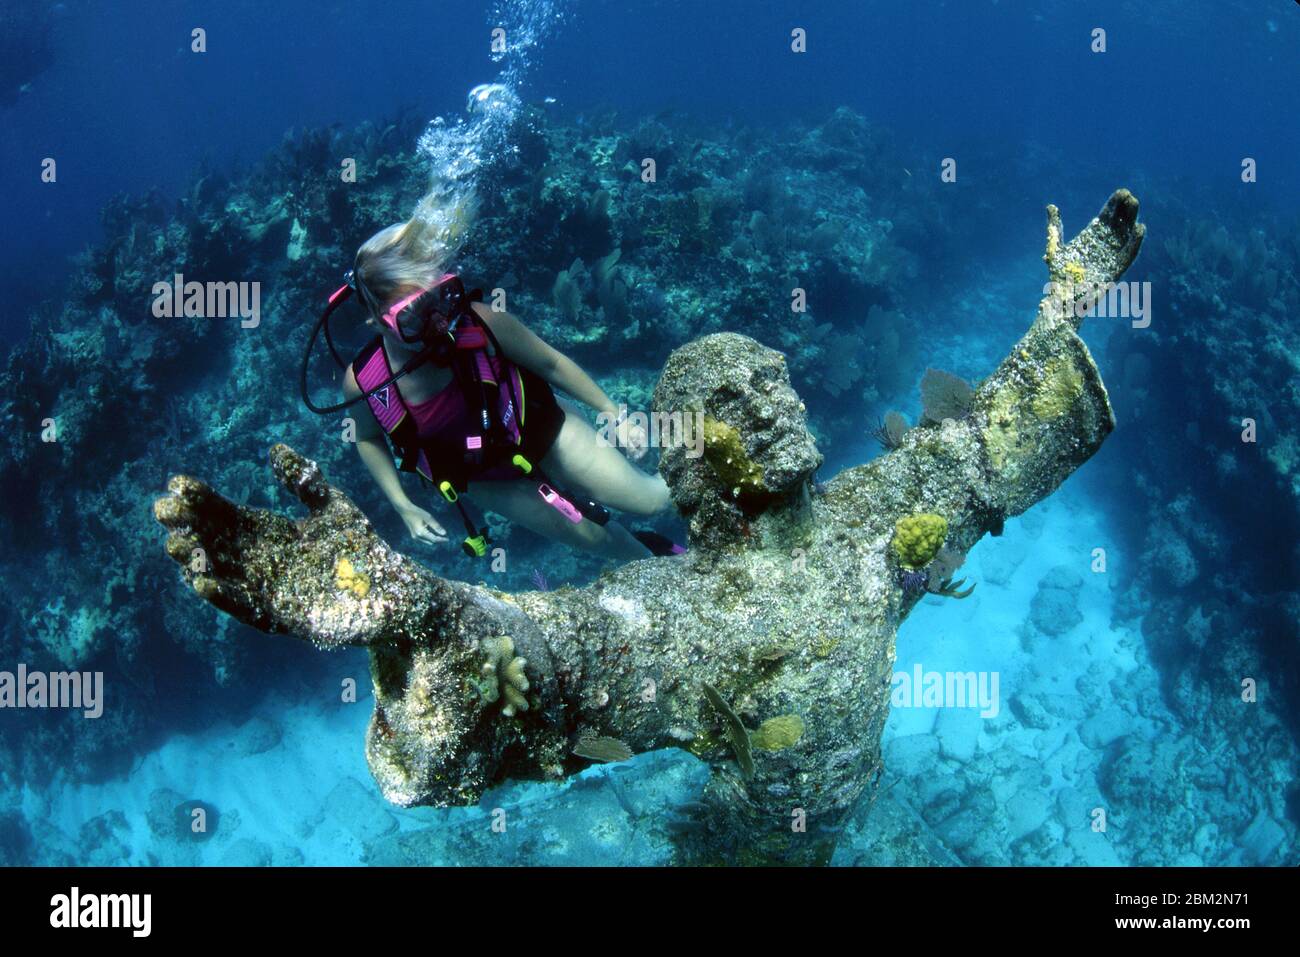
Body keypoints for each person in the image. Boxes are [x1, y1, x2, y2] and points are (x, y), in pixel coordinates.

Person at [342, 219, 675, 559]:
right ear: (376, 321)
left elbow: (551, 364)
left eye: (439, 299)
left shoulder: (483, 321)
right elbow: (367, 437)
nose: (439, 323)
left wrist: (614, 413)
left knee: (652, 502)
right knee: (596, 539)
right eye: (413, 315)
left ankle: (701, 443)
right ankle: (656, 557)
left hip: (544, 429)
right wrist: (402, 505)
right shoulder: (366, 382)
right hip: (488, 478)